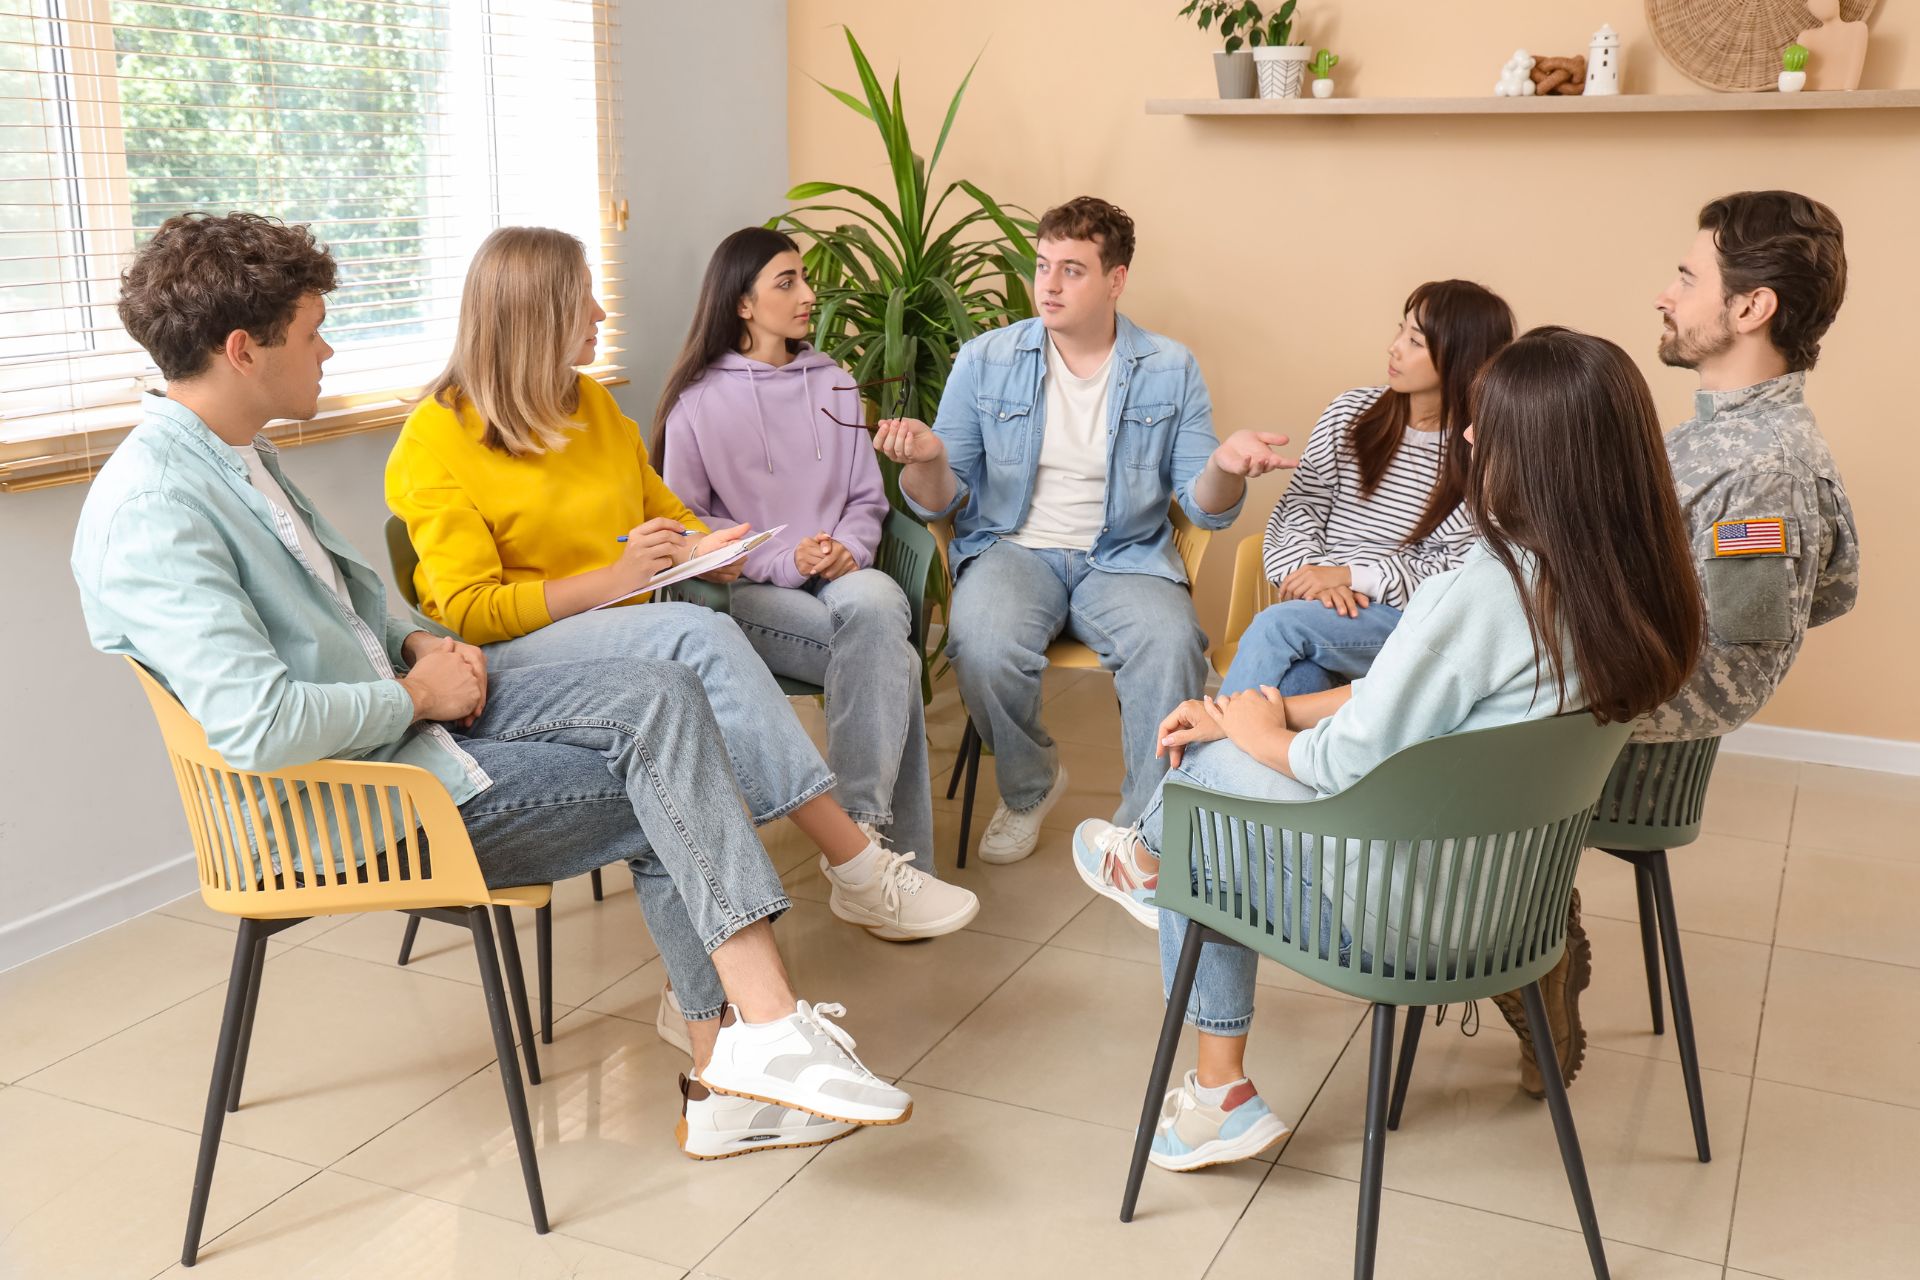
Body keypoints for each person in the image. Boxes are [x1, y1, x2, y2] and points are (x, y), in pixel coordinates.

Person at [73, 212, 915, 1162]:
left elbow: (355, 617)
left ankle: (751, 1054)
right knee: (671, 775)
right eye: (311, 332)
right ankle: (754, 1048)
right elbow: (262, 727)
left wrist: (424, 642)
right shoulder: (158, 509)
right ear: (242, 350)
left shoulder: (241, 458)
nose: (328, 347)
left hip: (406, 733)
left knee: (662, 696)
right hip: (357, 805)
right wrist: (418, 696)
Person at [1071, 327, 1703, 1170]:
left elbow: (1341, 766)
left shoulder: (1485, 587)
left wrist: (1252, 732)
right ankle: (1161, 896)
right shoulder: (1631, 587)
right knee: (1217, 763)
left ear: (1545, 454)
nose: (1470, 436)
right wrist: (1276, 712)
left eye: (1492, 424)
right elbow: (1410, 699)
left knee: (1197, 798)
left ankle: (1160, 899)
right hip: (1512, 904)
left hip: (1410, 916)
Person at [384, 227, 979, 967]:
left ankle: (884, 854)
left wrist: (705, 549)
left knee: (881, 633)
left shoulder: (590, 405)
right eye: (585, 300)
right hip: (520, 659)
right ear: (536, 315)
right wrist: (617, 580)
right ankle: (855, 862)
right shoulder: (435, 440)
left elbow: (669, 513)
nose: (602, 314)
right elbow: (467, 610)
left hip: (630, 624)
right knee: (696, 637)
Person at [1486, 190, 1860, 1097]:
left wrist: (1550, 691)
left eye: (1688, 278)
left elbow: (1736, 672)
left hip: (1622, 746)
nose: (1666, 294)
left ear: (1749, 308)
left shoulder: (1764, 466)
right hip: (1596, 696)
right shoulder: (1708, 437)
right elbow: (1835, 592)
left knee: (1416, 738)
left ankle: (1522, 943)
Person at [872, 196, 1293, 864]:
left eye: (1072, 269)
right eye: (1042, 266)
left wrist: (1225, 466)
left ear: (1115, 280)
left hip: (1125, 557)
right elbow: (938, 502)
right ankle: (1030, 785)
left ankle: (1144, 831)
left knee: (1172, 643)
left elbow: (1206, 505)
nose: (1048, 283)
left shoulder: (1169, 367)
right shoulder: (984, 360)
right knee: (979, 642)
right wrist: (926, 460)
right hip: (1013, 550)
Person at [655, 226, 935, 875]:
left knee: (879, 604)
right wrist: (784, 560)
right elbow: (688, 523)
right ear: (743, 304)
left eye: (805, 277)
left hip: (839, 573)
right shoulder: (697, 405)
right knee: (891, 660)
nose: (809, 293)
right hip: (744, 591)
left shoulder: (833, 382)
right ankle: (891, 860)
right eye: (788, 281)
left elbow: (869, 498)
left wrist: (844, 548)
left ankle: (859, 823)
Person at [1221, 279, 1514, 699]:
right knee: (1300, 684)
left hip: (1408, 625)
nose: (1394, 348)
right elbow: (1297, 512)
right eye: (1400, 330)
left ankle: (1196, 745)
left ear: (1461, 358)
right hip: (1317, 613)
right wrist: (1316, 581)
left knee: (1278, 625)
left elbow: (1460, 574)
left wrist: (1355, 577)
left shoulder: (1481, 450)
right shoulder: (1350, 412)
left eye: (1415, 341)